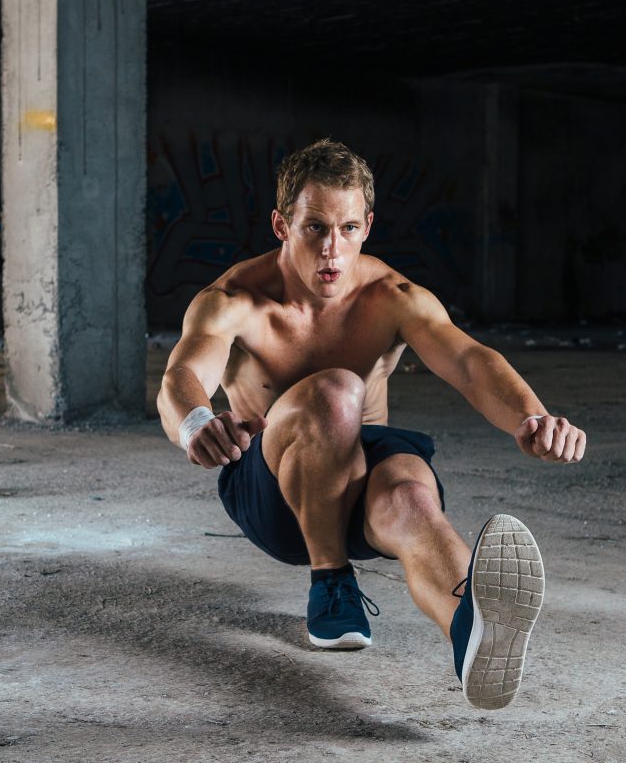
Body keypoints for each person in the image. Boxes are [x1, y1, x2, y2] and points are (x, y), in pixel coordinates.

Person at [157, 139, 587, 710]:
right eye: (315, 229)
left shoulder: (392, 296)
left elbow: (467, 361)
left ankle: (472, 628)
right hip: (274, 491)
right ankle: (330, 578)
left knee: (410, 491)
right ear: (282, 225)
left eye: (349, 228)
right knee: (337, 392)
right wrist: (196, 425)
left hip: (360, 478)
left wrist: (532, 417)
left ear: (368, 227)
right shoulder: (236, 299)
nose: (333, 249)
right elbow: (183, 372)